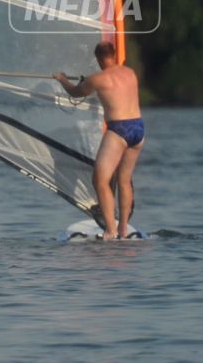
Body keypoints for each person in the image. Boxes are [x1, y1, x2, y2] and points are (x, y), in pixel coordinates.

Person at [56, 41, 143, 240]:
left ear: (97, 58)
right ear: (114, 54)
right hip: (138, 128)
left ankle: (111, 231)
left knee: (100, 180)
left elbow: (75, 92)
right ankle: (123, 230)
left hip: (119, 129)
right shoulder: (130, 73)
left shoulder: (98, 79)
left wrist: (61, 79)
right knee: (124, 180)